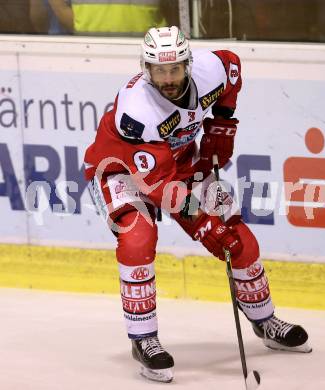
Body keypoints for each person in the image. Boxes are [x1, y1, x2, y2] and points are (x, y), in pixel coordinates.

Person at [84, 26, 312, 383]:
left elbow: (233, 68)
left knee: (238, 239)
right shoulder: (138, 109)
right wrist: (205, 225)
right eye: (159, 70)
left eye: (175, 68)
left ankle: (265, 320)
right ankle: (144, 339)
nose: (168, 77)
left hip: (179, 163)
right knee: (138, 238)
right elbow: (159, 185)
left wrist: (223, 125)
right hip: (122, 171)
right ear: (146, 69)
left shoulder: (210, 71)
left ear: (188, 63)